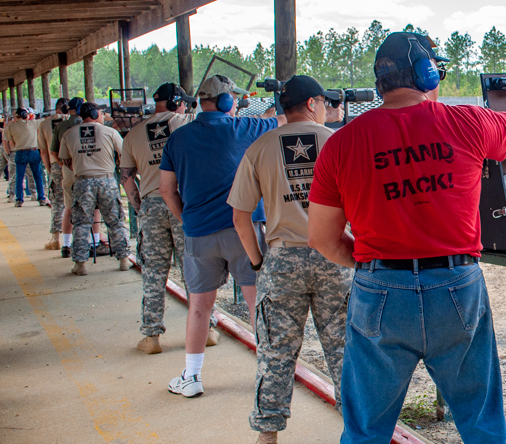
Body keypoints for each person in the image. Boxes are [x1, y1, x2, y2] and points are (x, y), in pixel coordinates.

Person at [307, 31, 506, 444]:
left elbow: (323, 238)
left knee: (364, 432)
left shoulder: (340, 144)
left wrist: (374, 266)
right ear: (428, 74)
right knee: (481, 425)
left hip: (379, 290)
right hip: (455, 286)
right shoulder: (464, 122)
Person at [228, 75, 350, 444]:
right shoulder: (337, 142)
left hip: (281, 261)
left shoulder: (260, 147)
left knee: (276, 352)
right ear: (313, 103)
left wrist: (257, 261)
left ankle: (267, 435)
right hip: (335, 255)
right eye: (325, 103)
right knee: (345, 350)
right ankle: (358, 428)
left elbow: (240, 215)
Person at [160, 75, 281, 398]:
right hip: (245, 231)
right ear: (227, 101)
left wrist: (188, 219)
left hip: (199, 233)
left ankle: (192, 376)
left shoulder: (178, 138)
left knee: (200, 306)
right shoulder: (244, 128)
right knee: (257, 302)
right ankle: (269, 371)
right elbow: (283, 119)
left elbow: (166, 191)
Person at [120, 83, 198, 355]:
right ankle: (207, 329)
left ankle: (151, 336)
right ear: (177, 101)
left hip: (152, 204)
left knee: (154, 271)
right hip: (183, 201)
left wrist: (139, 206)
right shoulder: (186, 123)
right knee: (193, 268)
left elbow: (127, 177)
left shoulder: (132, 134)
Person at [58, 102, 131, 275]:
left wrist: (80, 167)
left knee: (81, 224)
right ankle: (123, 259)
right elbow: (124, 154)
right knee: (115, 221)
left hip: (82, 181)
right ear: (94, 113)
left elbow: (64, 160)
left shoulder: (69, 134)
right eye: (101, 112)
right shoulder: (109, 132)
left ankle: (81, 264)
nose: (103, 114)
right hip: (106, 180)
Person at [38, 98, 72, 250]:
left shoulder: (44, 124)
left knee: (58, 202)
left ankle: (56, 238)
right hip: (74, 165)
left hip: (55, 165)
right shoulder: (75, 122)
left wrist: (49, 168)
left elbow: (44, 151)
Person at [3, 107, 48, 208]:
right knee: (38, 176)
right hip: (33, 151)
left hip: (20, 152)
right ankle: (41, 198)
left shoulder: (10, 127)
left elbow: (11, 143)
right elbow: (46, 120)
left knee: (19, 177)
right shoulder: (32, 123)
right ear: (25, 115)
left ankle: (19, 200)